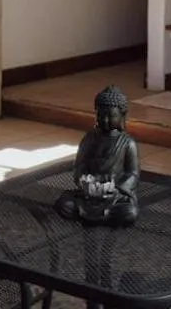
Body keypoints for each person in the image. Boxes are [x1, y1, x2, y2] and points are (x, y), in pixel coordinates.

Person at [55, 85, 139, 225]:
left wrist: (116, 188)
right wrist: (85, 182)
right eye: (101, 115)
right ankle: (102, 217)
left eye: (111, 116)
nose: (105, 120)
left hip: (114, 195)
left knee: (129, 212)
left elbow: (133, 173)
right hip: (89, 194)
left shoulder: (127, 143)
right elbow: (79, 165)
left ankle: (100, 216)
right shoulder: (90, 138)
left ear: (122, 116)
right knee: (64, 204)